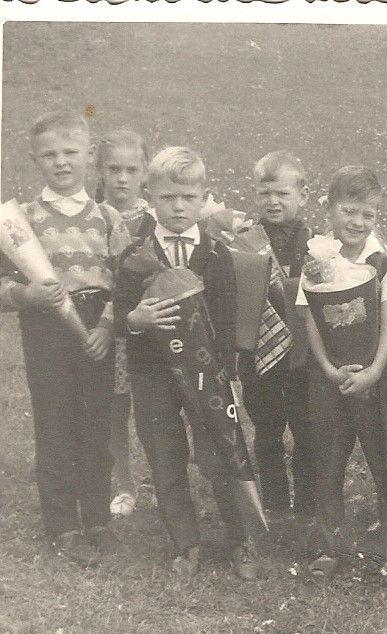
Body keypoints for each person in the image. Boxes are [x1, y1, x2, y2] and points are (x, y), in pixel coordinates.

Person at [114, 146, 259, 580]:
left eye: (188, 197)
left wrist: (230, 374)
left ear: (203, 199)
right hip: (151, 373)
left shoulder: (216, 255)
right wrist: (136, 319)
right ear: (150, 197)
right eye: (166, 197)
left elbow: (231, 318)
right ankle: (186, 543)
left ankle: (240, 541)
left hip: (206, 375)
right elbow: (121, 313)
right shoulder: (134, 255)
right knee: (164, 455)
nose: (177, 207)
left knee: (220, 452)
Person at [0, 110, 130, 567]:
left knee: (95, 425)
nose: (61, 162)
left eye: (70, 152)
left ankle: (96, 518)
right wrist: (26, 293)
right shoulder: (20, 220)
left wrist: (108, 325)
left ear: (90, 156)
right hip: (46, 328)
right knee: (54, 423)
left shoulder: (110, 216)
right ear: (34, 160)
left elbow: (125, 279)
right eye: (49, 154)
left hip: (96, 323)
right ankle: (62, 524)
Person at [296, 165, 387, 576]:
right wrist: (327, 368)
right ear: (329, 209)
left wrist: (374, 371)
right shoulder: (316, 260)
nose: (357, 222)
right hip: (329, 379)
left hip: (378, 380)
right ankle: (331, 545)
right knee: (327, 460)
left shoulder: (385, 264)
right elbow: (309, 317)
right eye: (349, 211)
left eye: (367, 215)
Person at [238, 150, 315, 520]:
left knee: (305, 429)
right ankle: (275, 502)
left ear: (302, 195)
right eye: (265, 193)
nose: (272, 201)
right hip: (260, 351)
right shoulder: (244, 240)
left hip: (303, 353)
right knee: (267, 429)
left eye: (282, 194)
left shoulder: (315, 242)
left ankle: (306, 502)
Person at [95, 127, 155, 518]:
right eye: (113, 169)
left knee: (154, 405)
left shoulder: (154, 216)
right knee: (115, 405)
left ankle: (160, 477)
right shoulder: (94, 216)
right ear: (99, 170)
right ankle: (124, 483)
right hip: (108, 324)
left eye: (131, 169)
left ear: (145, 172)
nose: (122, 178)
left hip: (146, 323)